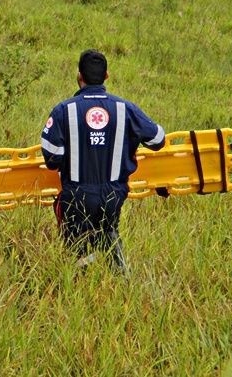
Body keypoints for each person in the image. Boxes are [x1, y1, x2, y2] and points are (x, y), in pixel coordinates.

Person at [39, 50, 165, 273]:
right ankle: (119, 278)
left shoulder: (63, 111)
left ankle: (83, 280)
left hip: (77, 196)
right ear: (107, 76)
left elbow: (52, 158)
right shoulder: (125, 109)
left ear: (79, 76)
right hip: (113, 196)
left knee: (78, 249)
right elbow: (157, 139)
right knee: (108, 232)